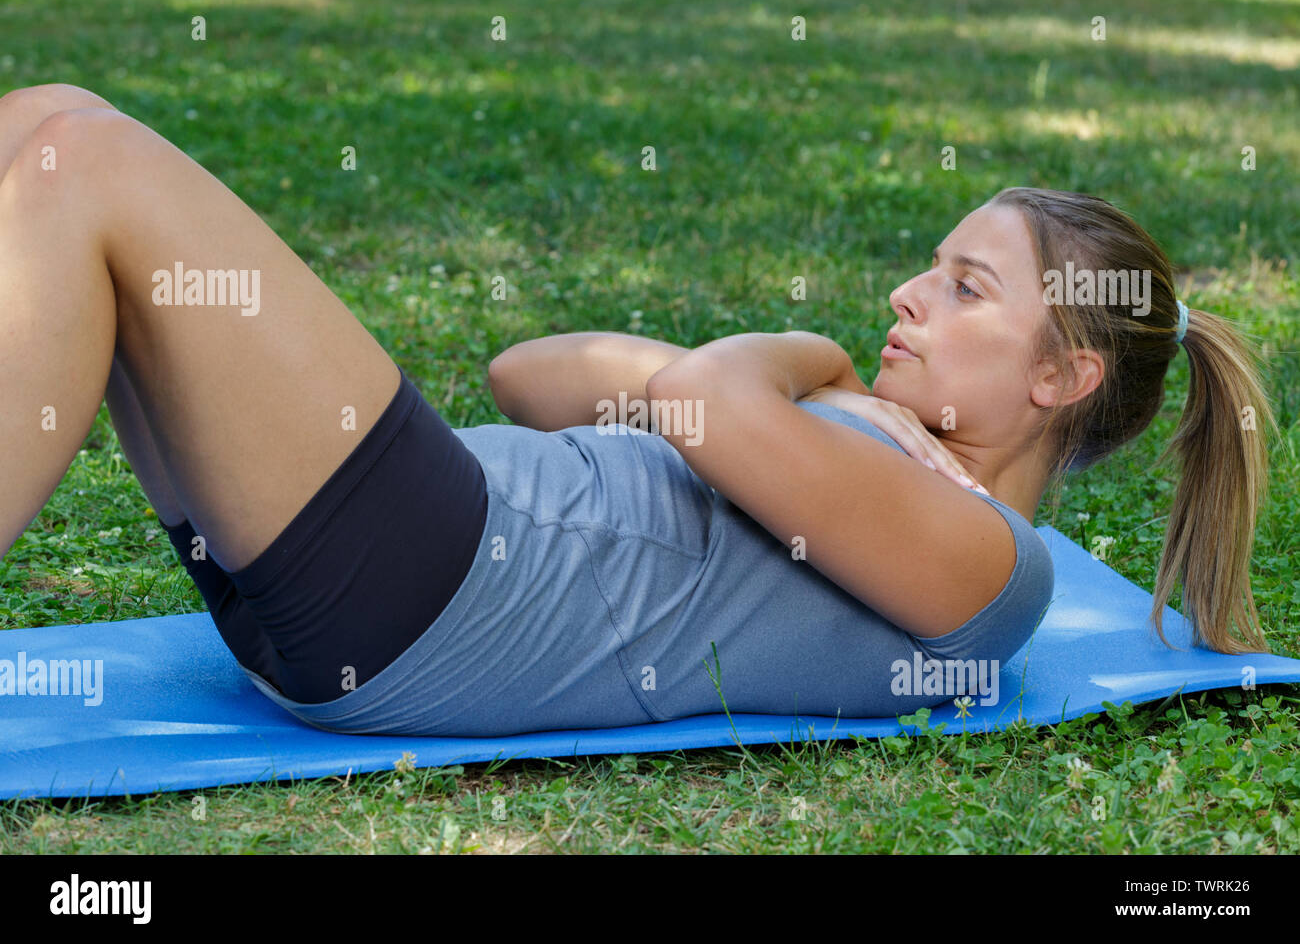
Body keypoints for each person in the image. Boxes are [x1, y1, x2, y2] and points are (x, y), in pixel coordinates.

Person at [0, 85, 1275, 737]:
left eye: (964, 286)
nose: (908, 292)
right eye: (928, 267)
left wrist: (798, 357)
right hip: (412, 543)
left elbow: (699, 400)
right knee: (49, 121)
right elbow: (530, 370)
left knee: (86, 164)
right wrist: (814, 386)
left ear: (1061, 379)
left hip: (430, 594)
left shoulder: (990, 562)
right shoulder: (841, 439)